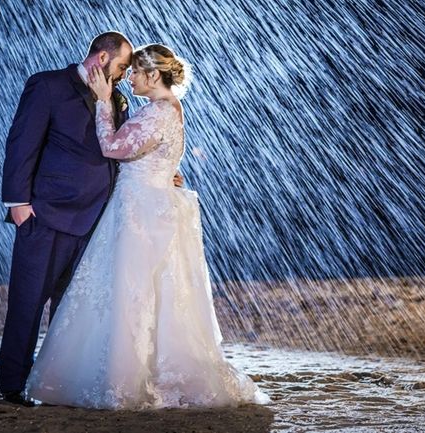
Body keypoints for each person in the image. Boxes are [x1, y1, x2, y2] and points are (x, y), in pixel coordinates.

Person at [25, 44, 269, 409]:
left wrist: (106, 102)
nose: (128, 78)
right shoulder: (166, 109)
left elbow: (111, 148)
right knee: (149, 294)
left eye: (135, 72)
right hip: (147, 206)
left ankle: (125, 378)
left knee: (131, 292)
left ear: (153, 75)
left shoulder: (156, 112)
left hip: (140, 213)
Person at [0, 31, 185, 406]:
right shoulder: (48, 85)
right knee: (28, 300)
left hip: (98, 221)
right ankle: (14, 383)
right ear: (102, 58)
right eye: (121, 67)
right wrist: (18, 203)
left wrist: (160, 172)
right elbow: (22, 143)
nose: (124, 75)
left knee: (70, 309)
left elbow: (118, 149)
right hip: (47, 215)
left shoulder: (112, 97)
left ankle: (53, 379)